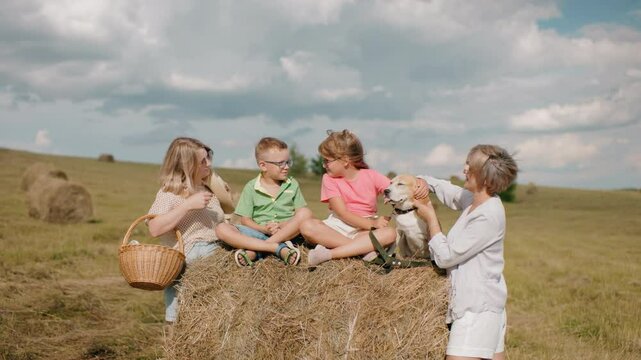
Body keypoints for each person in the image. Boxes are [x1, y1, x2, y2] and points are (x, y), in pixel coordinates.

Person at [414, 144, 518, 360]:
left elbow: (445, 257)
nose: (464, 169)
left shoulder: (487, 216)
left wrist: (431, 218)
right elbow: (450, 192)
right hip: (486, 306)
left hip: (476, 310)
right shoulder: (476, 200)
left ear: (486, 179)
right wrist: (424, 182)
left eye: (470, 167)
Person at [147, 137, 225, 324]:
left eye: (209, 158)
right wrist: (187, 205)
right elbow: (154, 228)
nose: (209, 163)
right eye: (203, 161)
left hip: (211, 255)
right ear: (187, 165)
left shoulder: (207, 189)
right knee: (181, 325)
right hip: (190, 258)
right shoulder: (170, 192)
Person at [300, 130, 397, 266]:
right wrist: (373, 224)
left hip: (363, 231)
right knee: (307, 226)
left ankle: (328, 254)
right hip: (338, 226)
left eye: (327, 161)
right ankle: (362, 250)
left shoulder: (371, 175)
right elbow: (342, 213)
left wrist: (417, 185)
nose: (323, 165)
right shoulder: (328, 179)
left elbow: (394, 190)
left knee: (390, 234)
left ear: (345, 160)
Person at [215, 137, 312, 267]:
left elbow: (301, 215)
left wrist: (281, 226)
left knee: (306, 212)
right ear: (263, 165)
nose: (286, 167)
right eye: (281, 163)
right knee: (221, 229)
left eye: (288, 162)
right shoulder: (251, 187)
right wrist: (264, 229)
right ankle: (276, 248)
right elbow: (245, 220)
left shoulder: (292, 184)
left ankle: (257, 250)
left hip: (287, 233)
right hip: (258, 233)